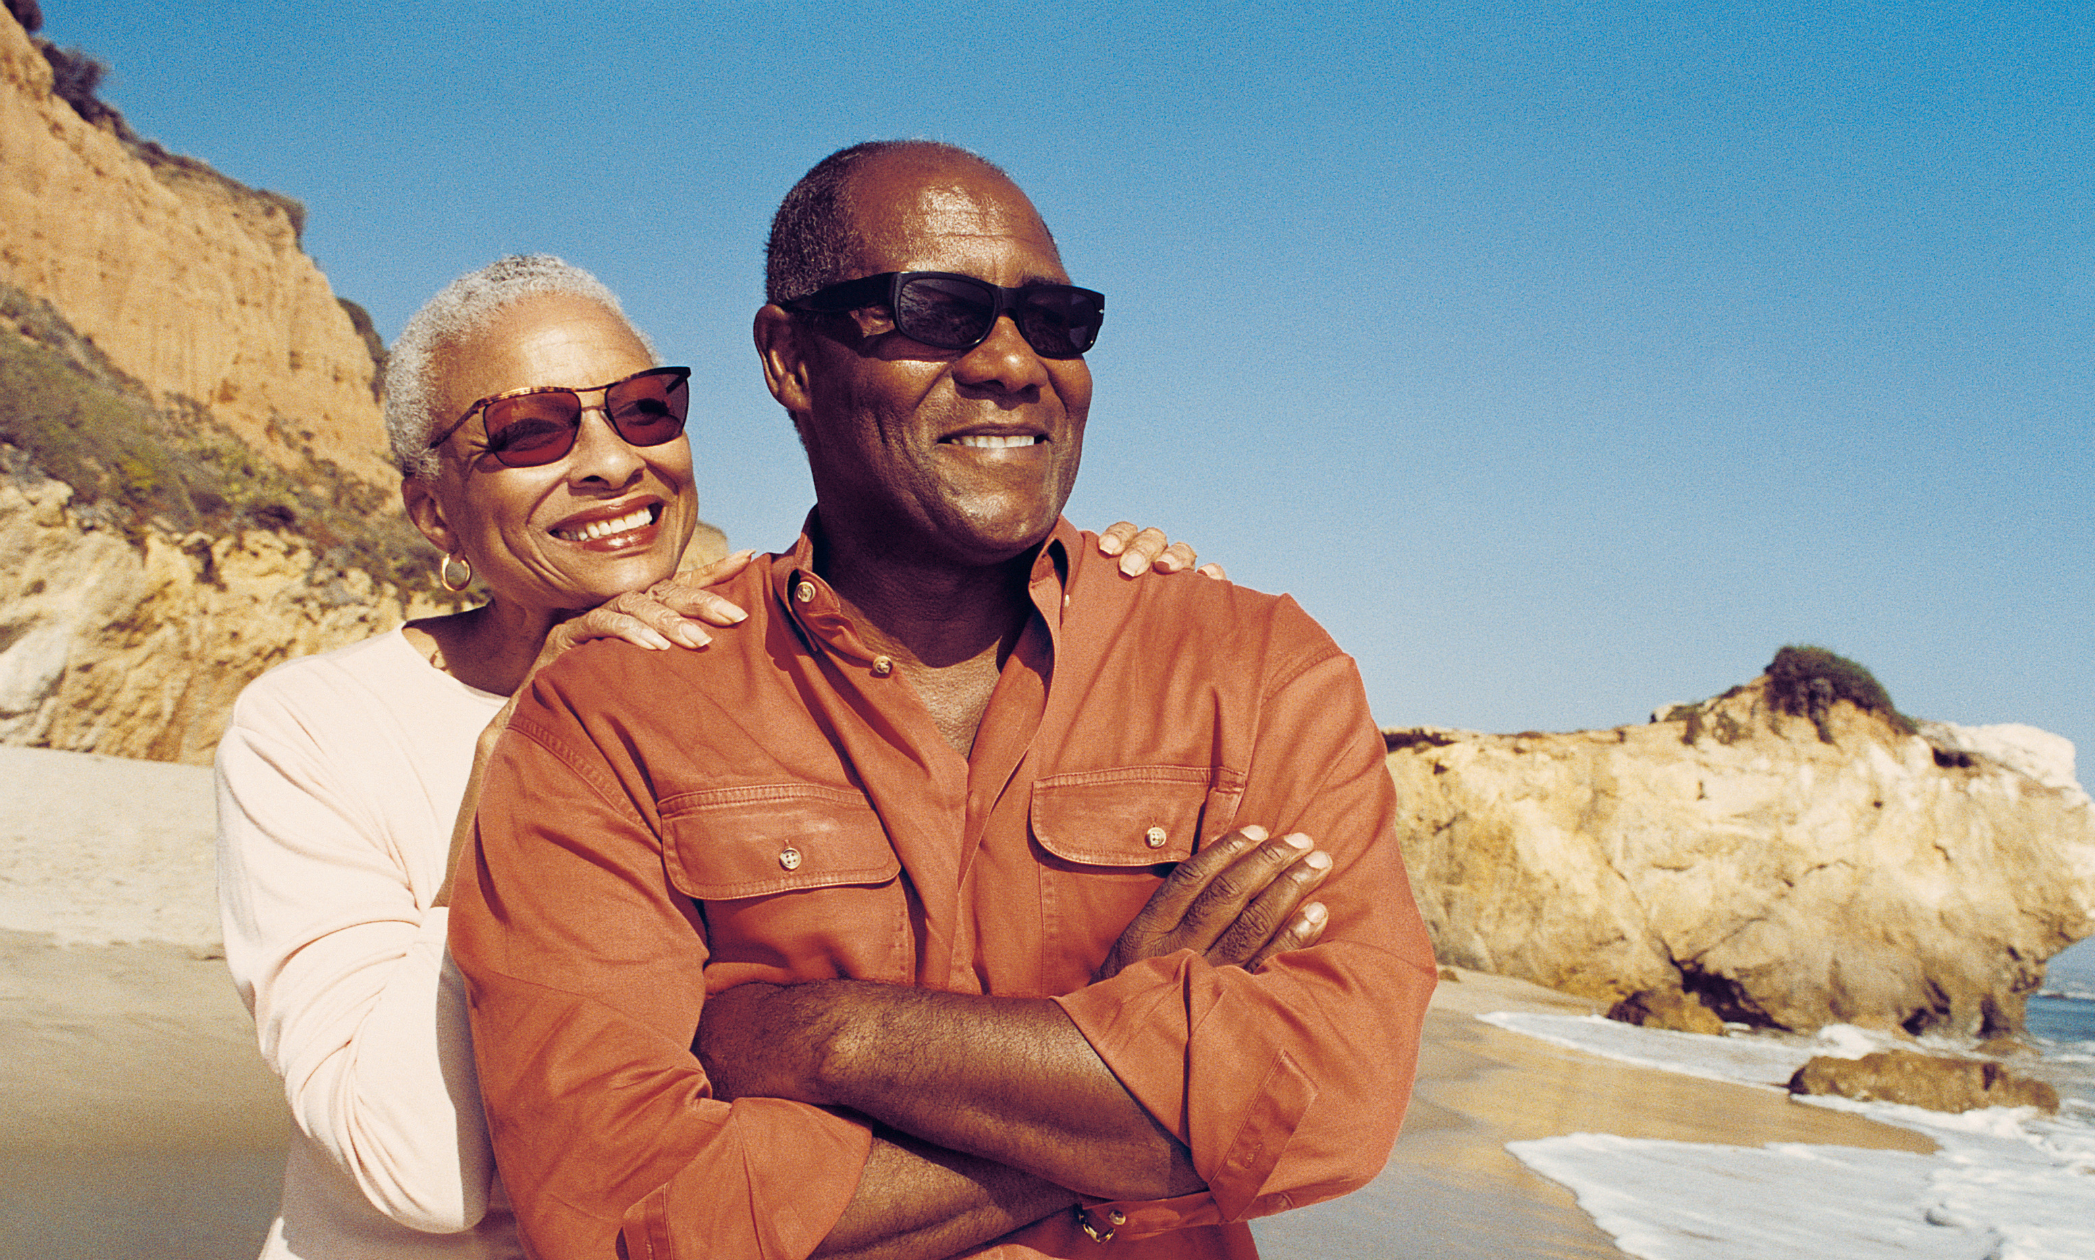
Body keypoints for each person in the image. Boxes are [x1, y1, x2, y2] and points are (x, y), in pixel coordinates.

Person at [450, 142, 1436, 1260]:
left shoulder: (1252, 670)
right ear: (788, 359)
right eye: (938, 310)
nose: (1015, 364)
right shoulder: (611, 716)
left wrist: (828, 1037)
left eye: (1056, 321)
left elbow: (1331, 1103)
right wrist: (1120, 1086)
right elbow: (628, 1211)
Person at [213, 254, 1219, 1260]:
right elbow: (415, 1170)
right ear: (433, 509)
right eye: (532, 429)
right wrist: (525, 750)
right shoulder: (313, 729)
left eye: (645, 410)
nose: (611, 462)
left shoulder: (796, 658)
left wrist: (1120, 599)